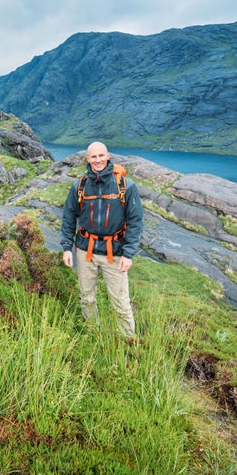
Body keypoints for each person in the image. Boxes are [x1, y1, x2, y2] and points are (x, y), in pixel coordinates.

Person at [60, 142, 144, 338]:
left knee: (120, 302)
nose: (97, 160)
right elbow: (68, 217)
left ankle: (128, 343)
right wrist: (66, 247)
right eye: (93, 157)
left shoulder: (126, 186)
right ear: (87, 159)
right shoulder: (79, 186)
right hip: (84, 250)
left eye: (101, 156)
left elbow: (135, 221)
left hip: (114, 253)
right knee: (87, 298)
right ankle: (93, 335)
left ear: (108, 156)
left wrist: (128, 253)